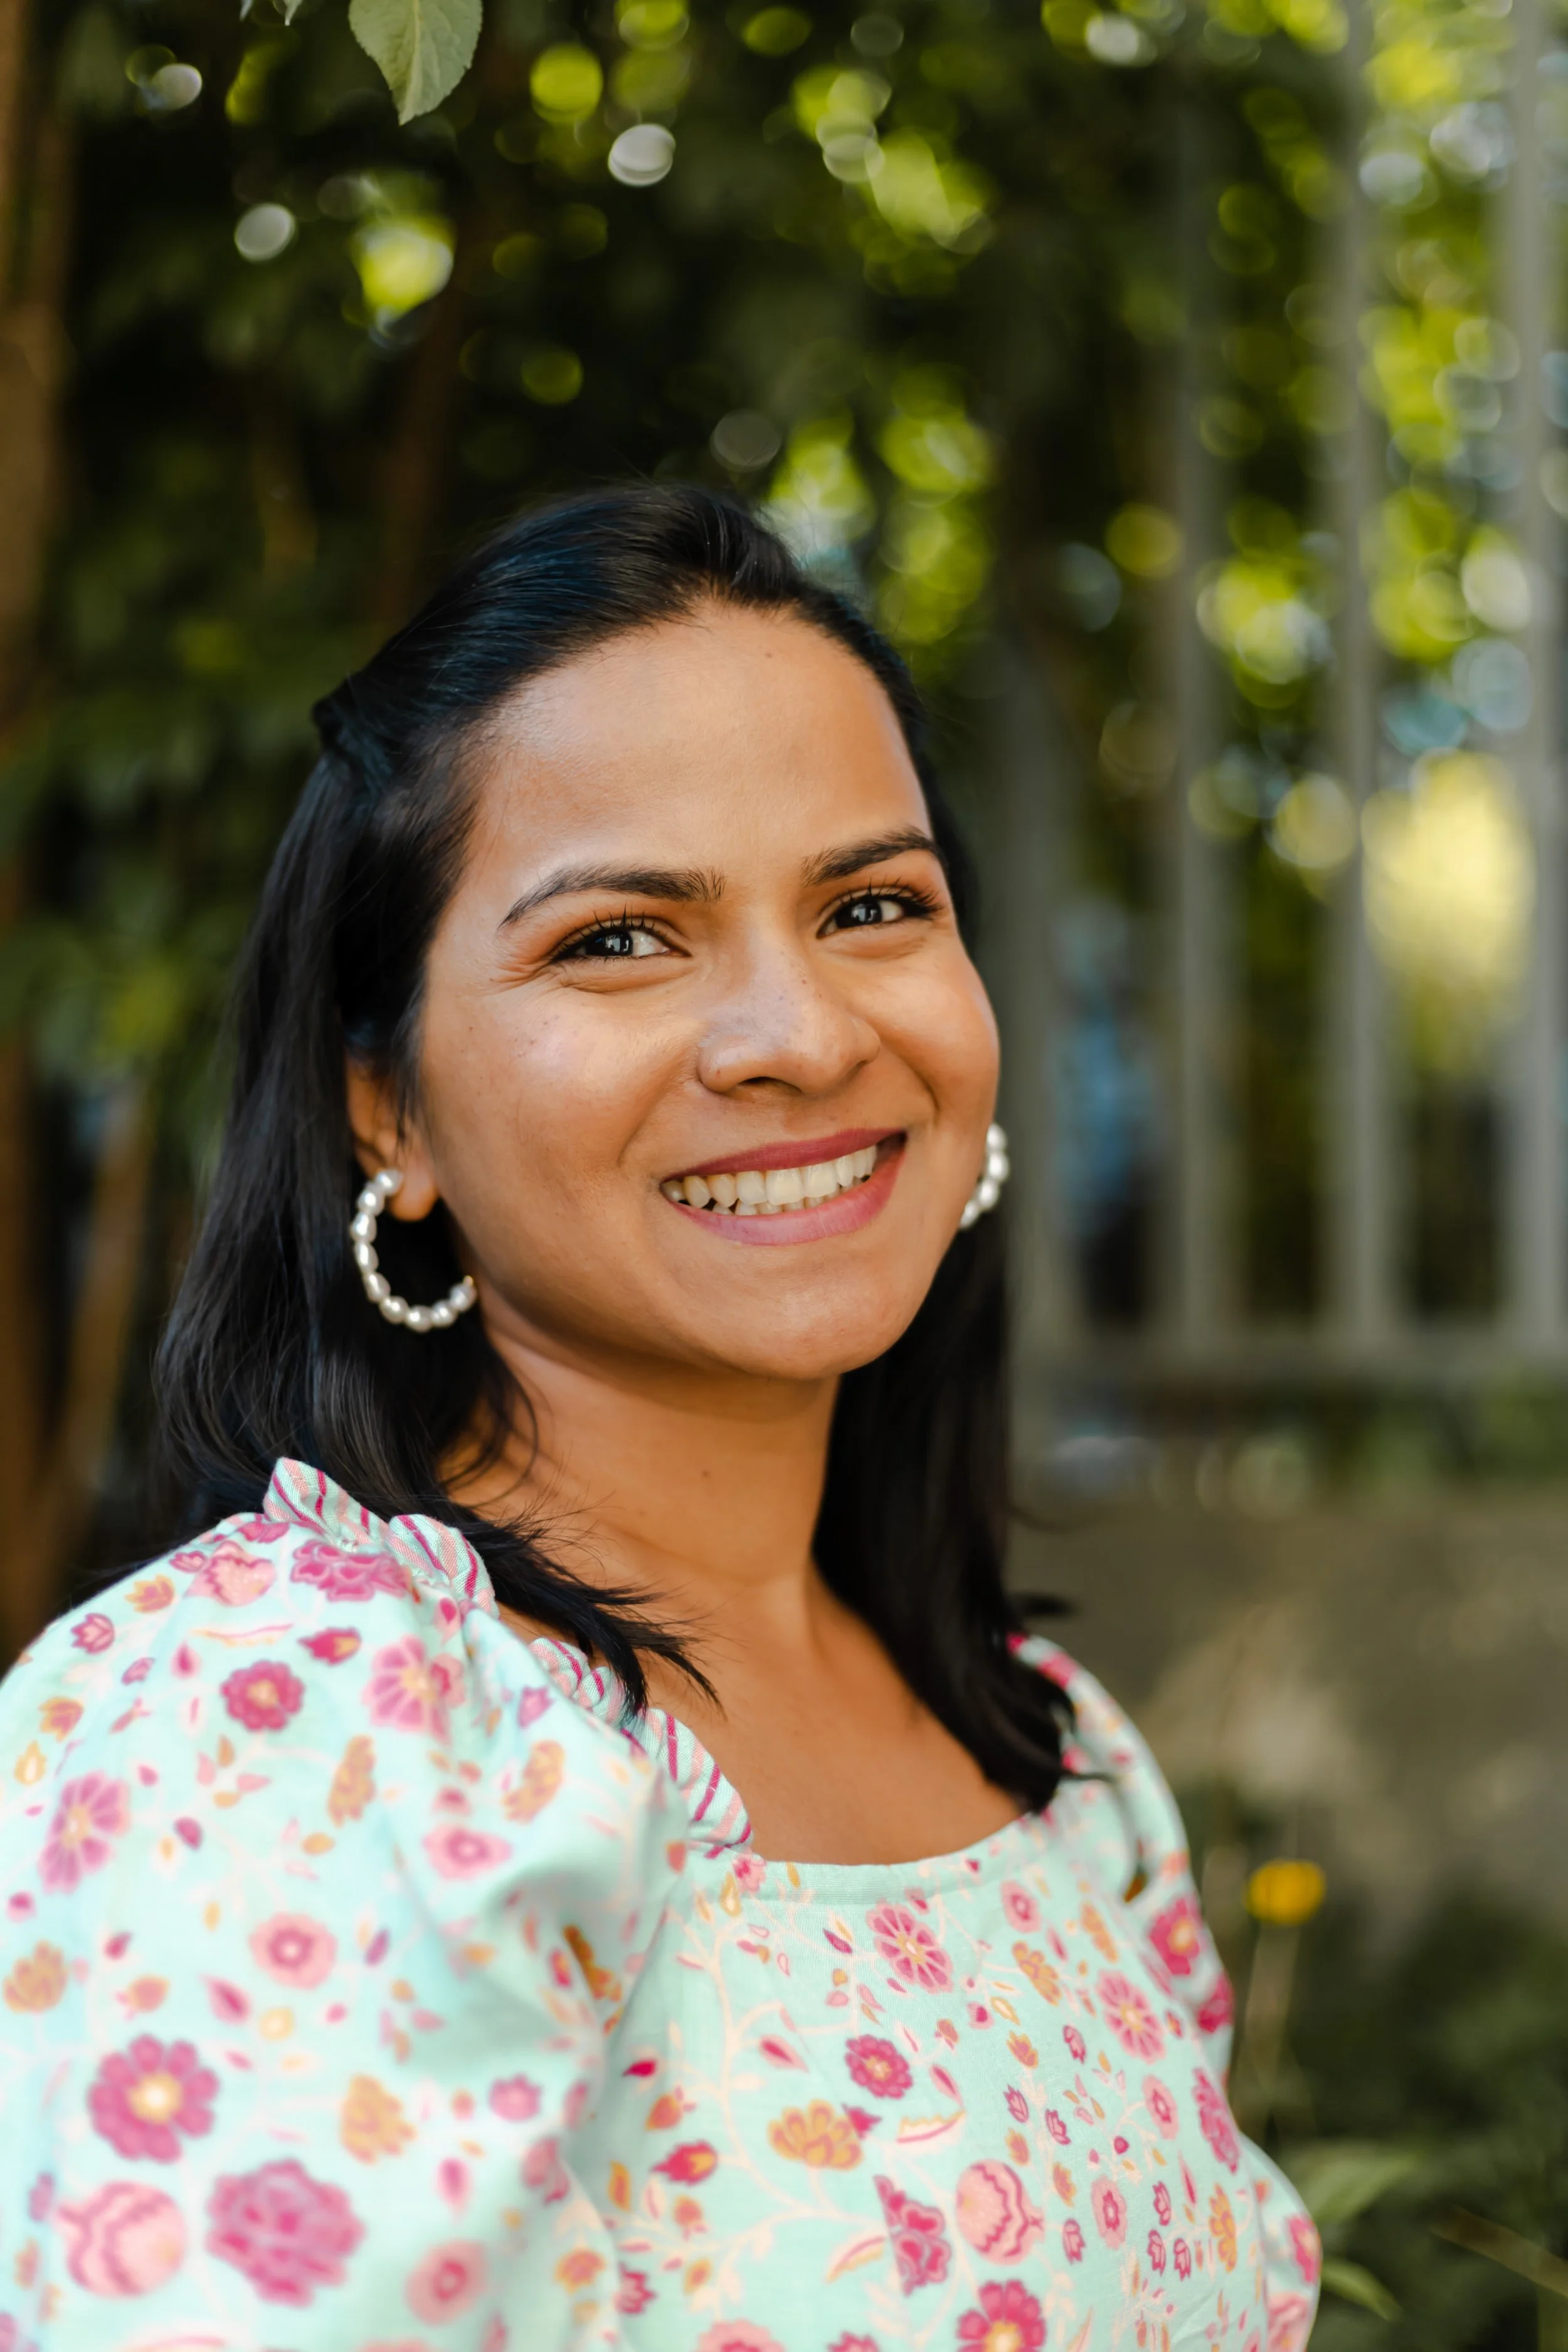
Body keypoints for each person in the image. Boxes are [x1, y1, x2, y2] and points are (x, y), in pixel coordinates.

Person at [0, 488, 1319, 2349]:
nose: (794, 1030)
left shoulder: (1056, 1761)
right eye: (622, 938)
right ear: (385, 1109)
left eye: (871, 905)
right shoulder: (288, 1726)